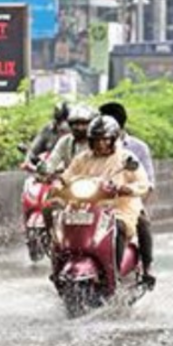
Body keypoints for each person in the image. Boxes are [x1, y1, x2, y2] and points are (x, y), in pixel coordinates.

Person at [59, 116, 153, 285]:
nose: (101, 144)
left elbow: (143, 183)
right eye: (96, 140)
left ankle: (114, 272)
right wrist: (60, 183)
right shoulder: (82, 158)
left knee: (118, 226)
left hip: (119, 207)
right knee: (61, 223)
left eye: (105, 139)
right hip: (85, 206)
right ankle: (58, 266)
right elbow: (67, 176)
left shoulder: (126, 158)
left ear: (113, 139)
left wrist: (127, 189)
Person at [98, 102, 156, 286]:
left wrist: (135, 201)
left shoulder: (138, 147)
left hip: (127, 201)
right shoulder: (92, 147)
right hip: (95, 201)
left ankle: (147, 269)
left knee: (143, 222)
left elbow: (147, 183)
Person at [40, 105, 98, 176]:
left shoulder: (98, 142)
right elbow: (53, 160)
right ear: (70, 125)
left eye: (84, 123)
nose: (79, 128)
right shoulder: (64, 141)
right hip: (68, 181)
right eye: (76, 123)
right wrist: (46, 170)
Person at [26, 102, 71, 168]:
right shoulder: (47, 130)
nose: (62, 125)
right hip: (50, 168)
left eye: (66, 121)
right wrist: (30, 158)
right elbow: (35, 148)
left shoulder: (78, 133)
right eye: (59, 121)